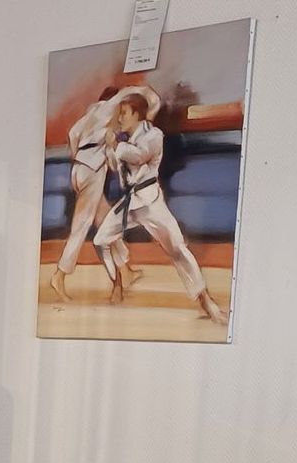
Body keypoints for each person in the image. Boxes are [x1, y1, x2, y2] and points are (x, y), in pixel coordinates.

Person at [93, 91, 226, 323]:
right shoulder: (123, 139)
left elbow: (140, 156)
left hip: (150, 201)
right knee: (100, 240)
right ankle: (117, 284)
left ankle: (206, 301)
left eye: (123, 113)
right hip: (129, 202)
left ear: (137, 114)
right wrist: (109, 149)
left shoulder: (154, 135)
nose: (120, 118)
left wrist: (117, 146)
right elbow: (117, 167)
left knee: (177, 249)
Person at [48, 85, 157, 301]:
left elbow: (72, 134)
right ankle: (59, 274)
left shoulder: (91, 116)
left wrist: (77, 156)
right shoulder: (109, 113)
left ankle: (125, 270)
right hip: (93, 170)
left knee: (107, 221)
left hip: (79, 167)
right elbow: (114, 160)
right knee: (82, 225)